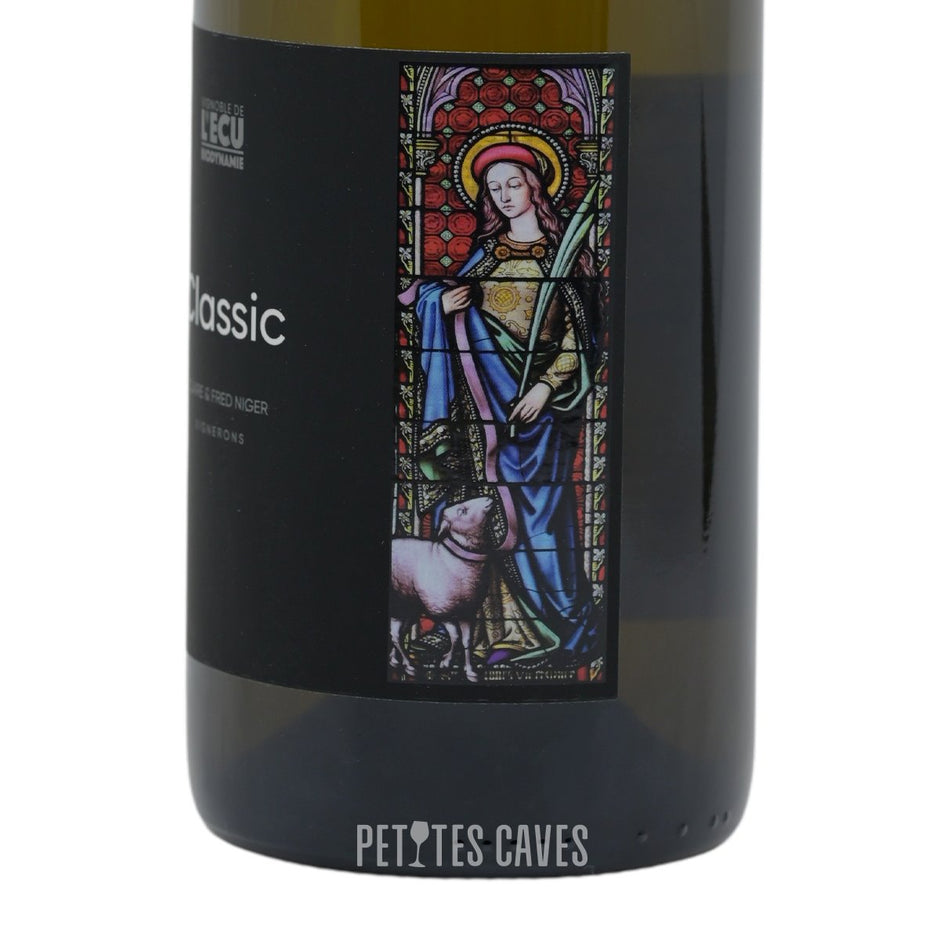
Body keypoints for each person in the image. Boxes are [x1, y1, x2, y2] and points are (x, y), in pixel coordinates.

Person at [414, 140, 601, 669]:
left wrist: (545, 387)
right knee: (481, 510)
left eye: (513, 183)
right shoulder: (487, 255)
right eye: (494, 188)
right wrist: (442, 304)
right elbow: (445, 312)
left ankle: (564, 625)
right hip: (483, 412)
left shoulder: (567, 257)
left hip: (540, 417)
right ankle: (492, 632)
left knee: (544, 518)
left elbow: (583, 336)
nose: (504, 195)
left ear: (535, 187)